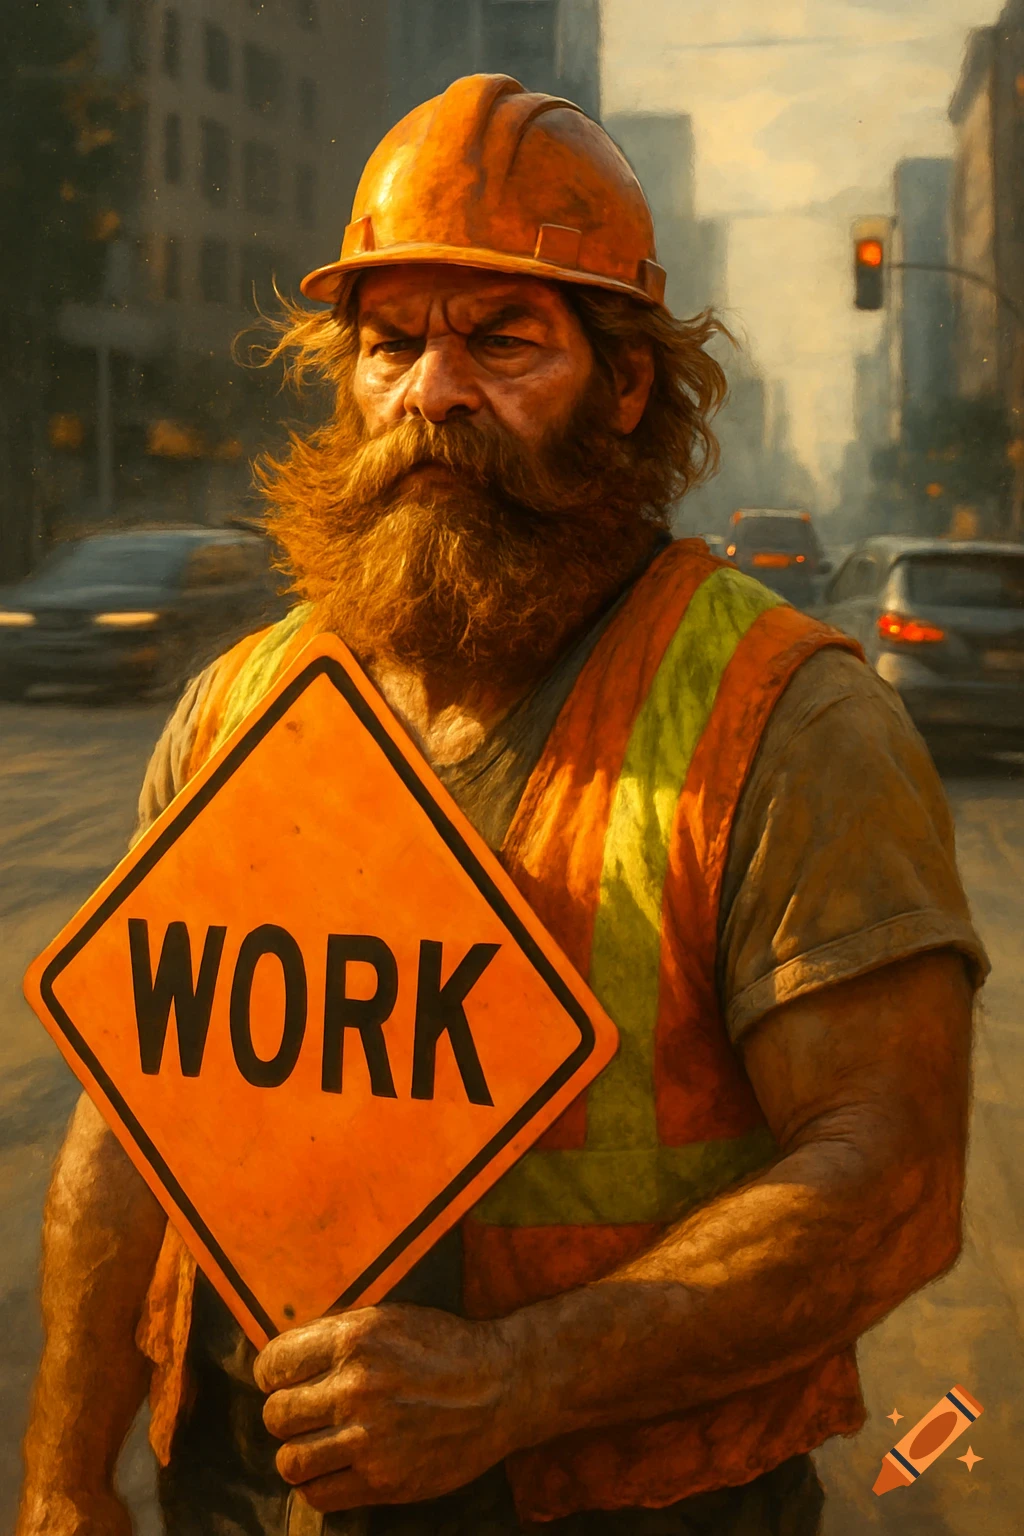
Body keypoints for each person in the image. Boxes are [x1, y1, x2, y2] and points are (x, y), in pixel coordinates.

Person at [18, 74, 985, 1536]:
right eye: (389, 342)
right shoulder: (242, 705)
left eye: (503, 340)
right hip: (234, 1491)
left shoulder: (784, 717)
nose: (432, 393)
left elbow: (892, 1177)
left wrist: (514, 1380)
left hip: (622, 1508)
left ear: (629, 383)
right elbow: (133, 1120)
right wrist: (61, 1473)